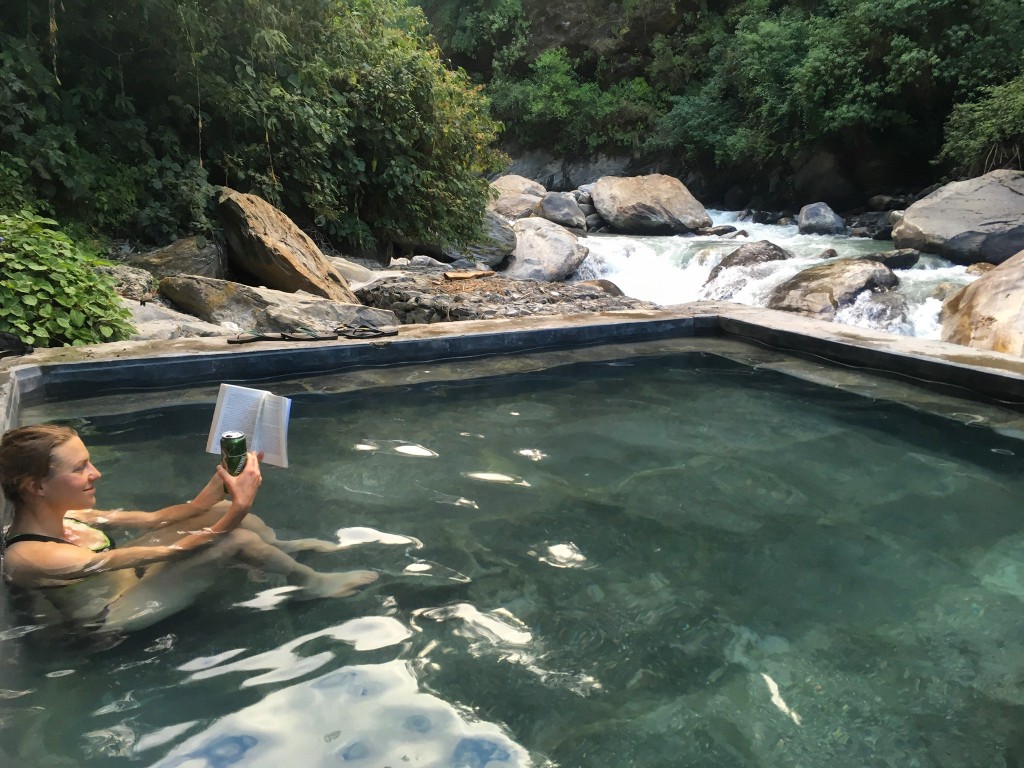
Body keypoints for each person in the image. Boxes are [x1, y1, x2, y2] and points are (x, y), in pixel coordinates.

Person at [0, 424, 377, 632]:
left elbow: (157, 520)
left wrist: (219, 489)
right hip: (110, 614)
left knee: (224, 512)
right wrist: (242, 503)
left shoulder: (71, 516)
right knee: (235, 537)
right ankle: (312, 584)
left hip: (126, 574)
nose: (95, 473)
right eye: (79, 468)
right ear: (36, 487)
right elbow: (172, 551)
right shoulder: (34, 556)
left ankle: (281, 550)